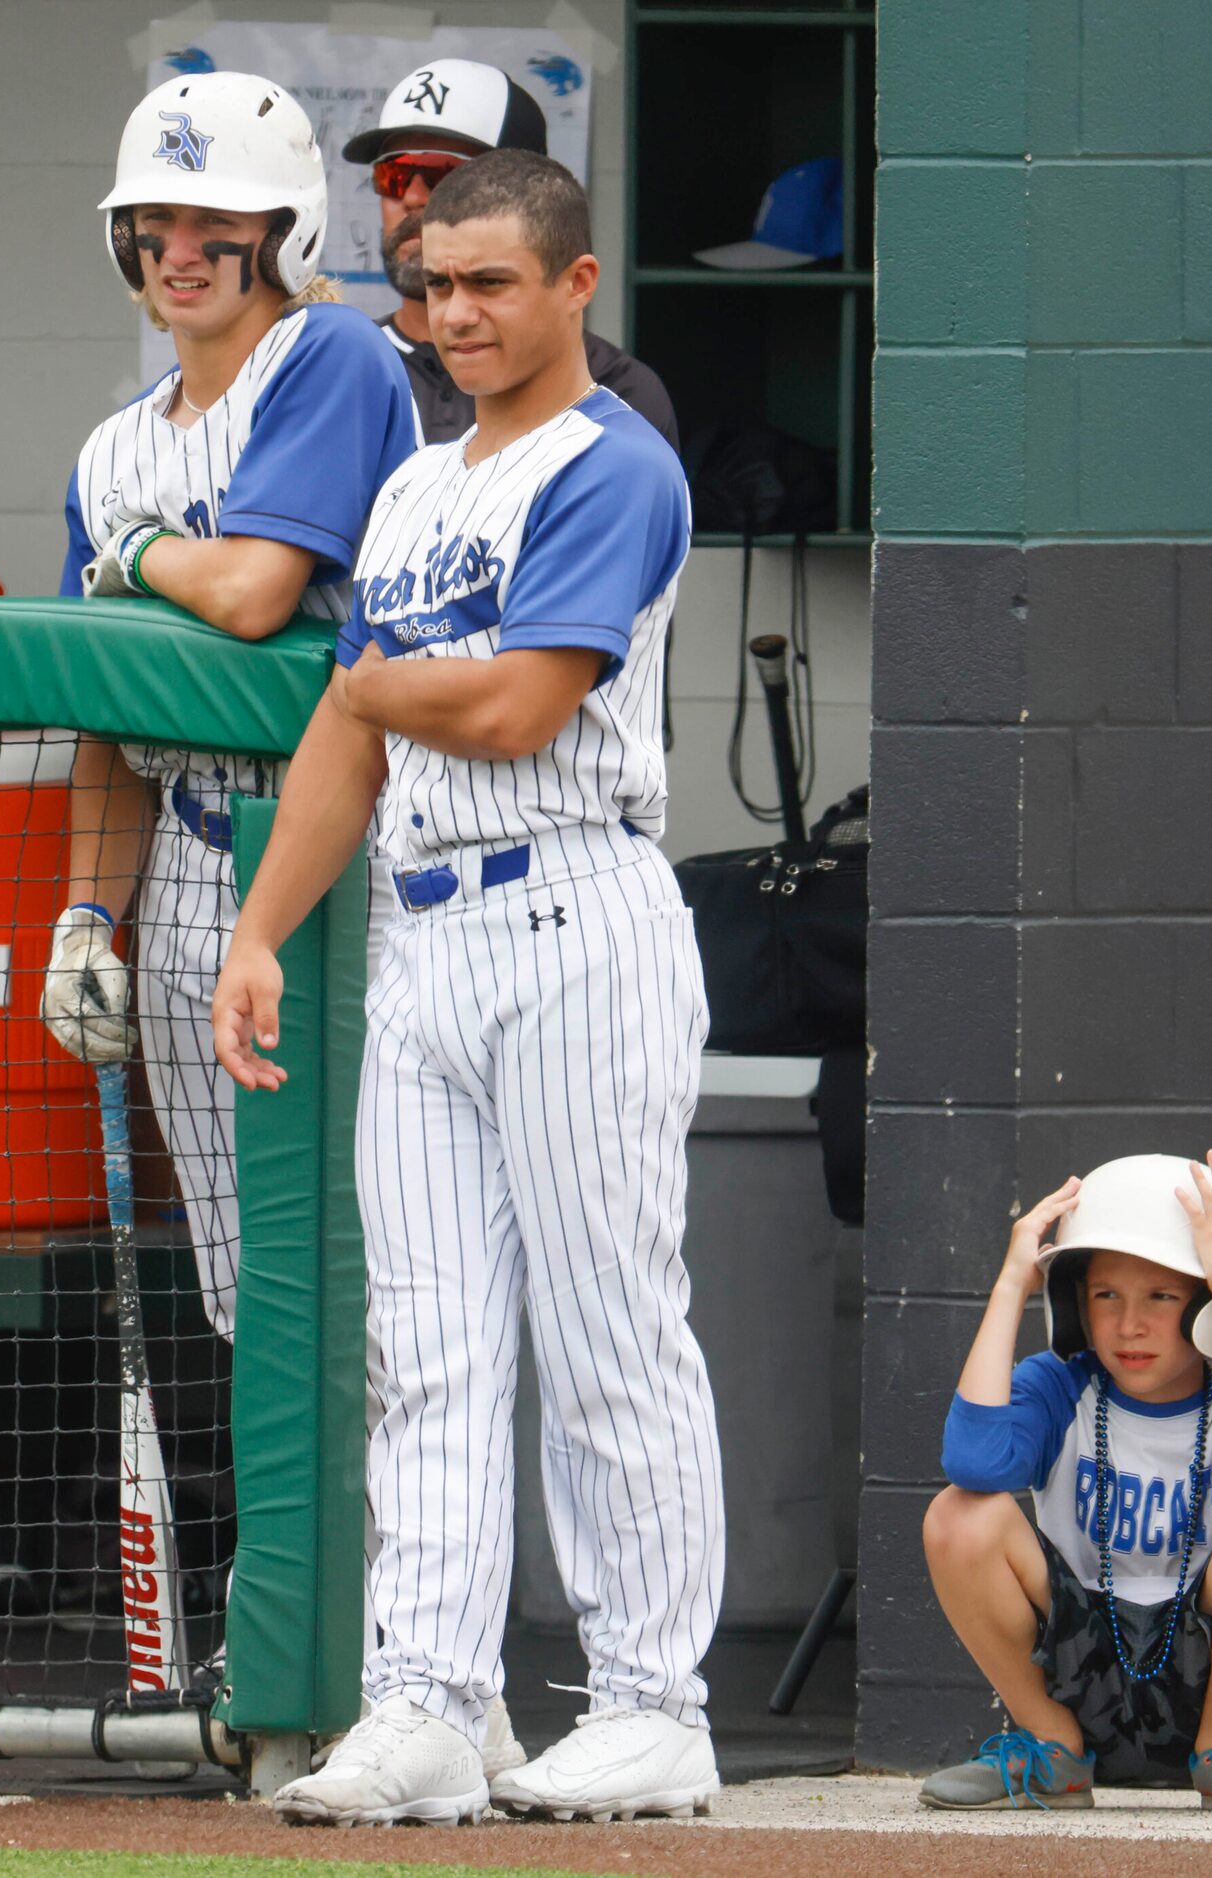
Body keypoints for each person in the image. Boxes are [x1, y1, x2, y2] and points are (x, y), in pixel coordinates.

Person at [212, 150, 722, 1826]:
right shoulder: (415, 487)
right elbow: (347, 739)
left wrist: (370, 686)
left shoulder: (613, 461)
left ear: (574, 285)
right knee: (421, 1341)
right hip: (424, 928)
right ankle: (430, 1696)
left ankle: (653, 1701)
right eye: (430, 287)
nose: (452, 316)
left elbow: (516, 710)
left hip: (574, 901)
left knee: (603, 1330)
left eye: (489, 283)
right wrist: (259, 930)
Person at [42, 70, 415, 1346]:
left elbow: (257, 591)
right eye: (157, 219)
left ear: (284, 233)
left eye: (218, 222)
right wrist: (88, 915)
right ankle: (281, 1553)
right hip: (190, 856)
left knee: (370, 1277)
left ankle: (383, 1556)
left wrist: (134, 557)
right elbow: (103, 715)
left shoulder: (333, 356)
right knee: (238, 1282)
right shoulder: (110, 450)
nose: (181, 249)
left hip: (344, 866)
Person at [919, 1152, 1212, 1814]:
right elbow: (972, 1462)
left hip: (1207, 1675)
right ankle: (1050, 1753)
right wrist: (1007, 1286)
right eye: (1105, 1295)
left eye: (1161, 1297)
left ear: (1211, 1305)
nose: (1127, 1325)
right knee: (956, 1514)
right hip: (1073, 1667)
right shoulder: (1062, 1384)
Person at [341, 59, 677, 454]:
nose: (413, 197)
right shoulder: (337, 371)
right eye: (393, 174)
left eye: (443, 174)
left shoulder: (614, 390)